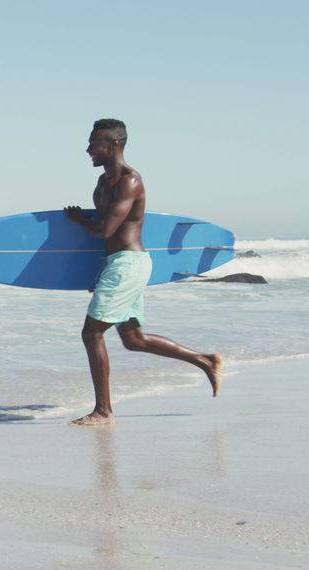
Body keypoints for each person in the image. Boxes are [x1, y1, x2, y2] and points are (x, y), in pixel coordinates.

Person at [63, 119, 221, 425]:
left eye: (94, 144)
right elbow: (106, 235)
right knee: (134, 339)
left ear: (114, 145)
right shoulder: (101, 184)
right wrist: (99, 274)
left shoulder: (129, 181)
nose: (88, 150)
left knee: (91, 333)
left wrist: (78, 220)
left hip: (128, 264)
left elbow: (107, 227)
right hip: (117, 265)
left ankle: (103, 411)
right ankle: (206, 361)